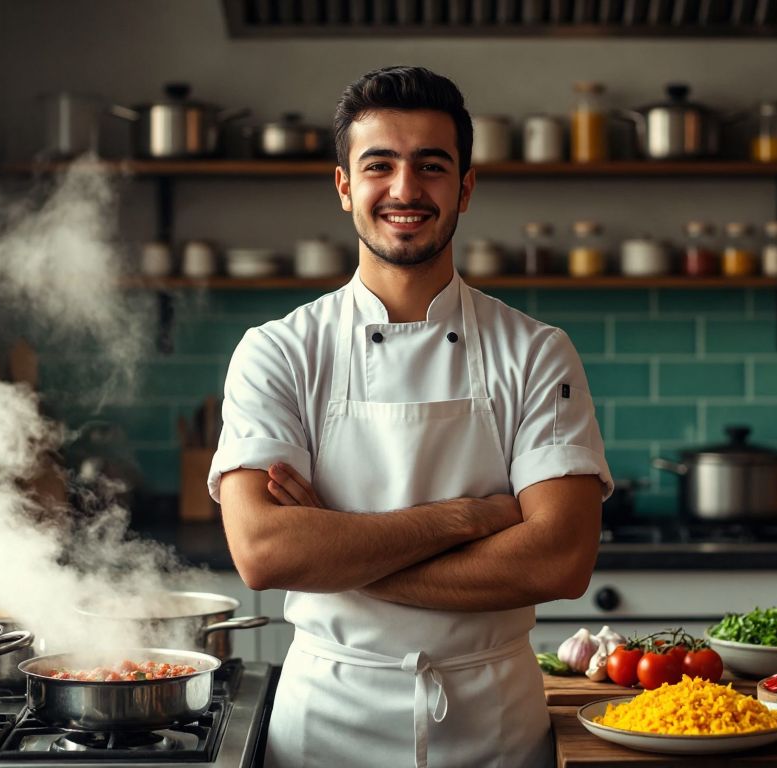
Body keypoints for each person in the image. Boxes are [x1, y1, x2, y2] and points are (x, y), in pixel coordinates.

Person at [209, 65, 611, 768]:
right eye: (379, 166)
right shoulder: (278, 352)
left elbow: (560, 558)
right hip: (324, 727)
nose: (404, 189)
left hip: (495, 726)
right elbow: (265, 553)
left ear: (465, 187)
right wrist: (467, 519)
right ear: (343, 188)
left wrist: (335, 549)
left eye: (431, 165)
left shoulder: (537, 352)